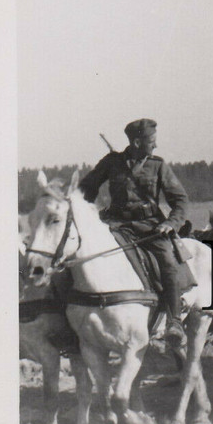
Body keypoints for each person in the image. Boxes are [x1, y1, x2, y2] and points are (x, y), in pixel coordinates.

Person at [79, 118, 189, 347]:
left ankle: (174, 321)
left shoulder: (158, 165)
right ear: (138, 142)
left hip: (150, 226)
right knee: (83, 255)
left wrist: (171, 223)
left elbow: (180, 200)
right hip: (116, 224)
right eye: (152, 141)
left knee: (168, 263)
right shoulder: (112, 162)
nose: (155, 146)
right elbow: (86, 188)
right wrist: (84, 211)